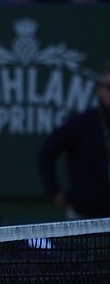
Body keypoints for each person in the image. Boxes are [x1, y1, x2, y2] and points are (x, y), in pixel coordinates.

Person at [38, 63, 110, 219]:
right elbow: (46, 153)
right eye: (109, 87)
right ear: (99, 90)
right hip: (85, 212)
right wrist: (54, 192)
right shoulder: (82, 123)